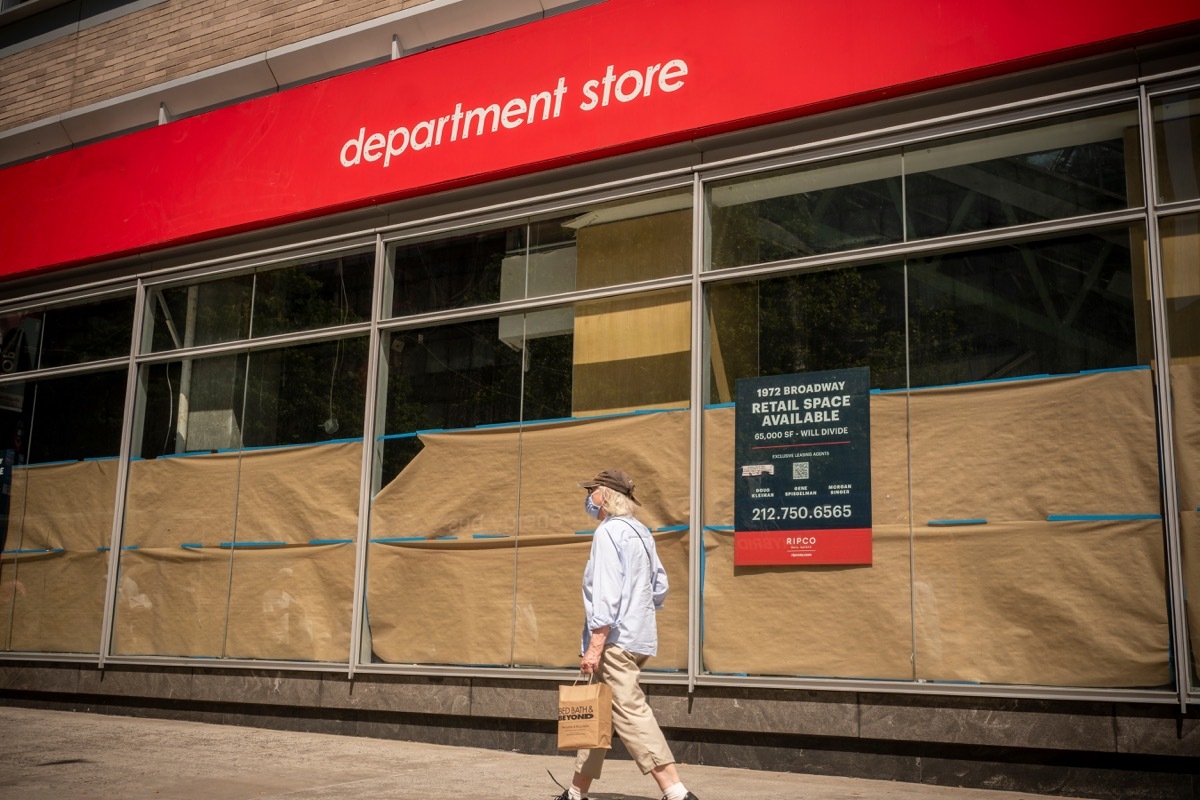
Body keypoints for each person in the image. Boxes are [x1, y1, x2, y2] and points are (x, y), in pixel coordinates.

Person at [552, 468, 699, 800]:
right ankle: (576, 792)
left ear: (604, 495)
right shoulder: (641, 531)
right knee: (598, 712)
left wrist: (595, 644)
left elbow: (606, 593)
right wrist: (638, 609)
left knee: (630, 711)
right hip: (639, 635)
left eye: (591, 491)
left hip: (614, 640)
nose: (587, 498)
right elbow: (659, 586)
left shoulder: (608, 532)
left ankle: (676, 792)